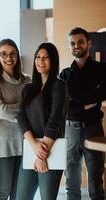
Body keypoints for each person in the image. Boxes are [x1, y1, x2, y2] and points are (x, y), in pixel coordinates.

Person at [60, 27, 106, 200]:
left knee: (96, 179)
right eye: (72, 43)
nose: (76, 46)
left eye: (80, 42)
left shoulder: (102, 69)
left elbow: (103, 93)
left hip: (92, 129)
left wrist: (76, 99)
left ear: (89, 43)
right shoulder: (64, 74)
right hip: (70, 130)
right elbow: (64, 105)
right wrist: (87, 103)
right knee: (71, 179)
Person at [16, 42, 67, 200]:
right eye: (38, 57)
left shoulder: (59, 86)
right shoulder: (28, 88)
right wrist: (34, 146)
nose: (40, 61)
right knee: (22, 197)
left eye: (45, 57)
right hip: (32, 148)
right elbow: (20, 117)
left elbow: (55, 121)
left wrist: (41, 155)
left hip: (51, 150)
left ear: (53, 61)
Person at [0, 39, 31, 200]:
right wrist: (25, 109)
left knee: (18, 192)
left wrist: (25, 109)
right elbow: (1, 111)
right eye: (3, 54)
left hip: (26, 141)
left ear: (18, 56)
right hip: (3, 144)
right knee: (3, 191)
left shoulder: (28, 81)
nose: (8, 57)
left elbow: (35, 110)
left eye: (13, 53)